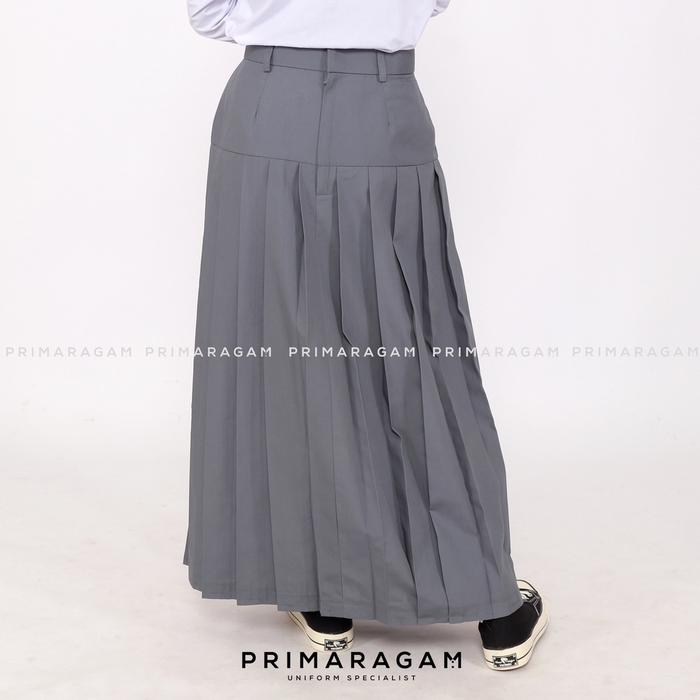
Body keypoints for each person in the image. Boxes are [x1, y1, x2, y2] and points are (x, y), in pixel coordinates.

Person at [182, 0, 549, 670]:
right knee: (417, 353)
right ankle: (491, 606)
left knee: (283, 354)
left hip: (267, 110)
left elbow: (207, 14)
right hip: (380, 114)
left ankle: (318, 591)